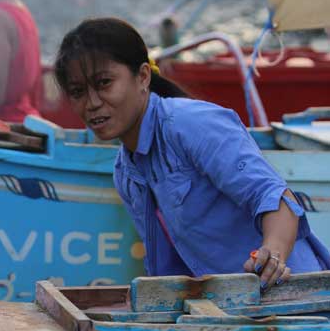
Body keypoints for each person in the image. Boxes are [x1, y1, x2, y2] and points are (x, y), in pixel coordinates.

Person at [54, 16, 330, 289]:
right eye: (78, 92)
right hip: (233, 315)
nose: (91, 103)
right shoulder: (126, 174)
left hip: (297, 302)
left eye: (104, 83)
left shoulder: (190, 124)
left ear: (142, 77)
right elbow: (166, 270)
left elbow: (275, 198)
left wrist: (273, 254)